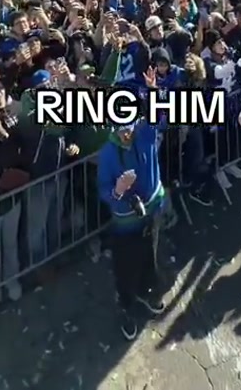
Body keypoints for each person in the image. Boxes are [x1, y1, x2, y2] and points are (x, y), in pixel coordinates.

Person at [97, 69, 166, 340]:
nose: (127, 127)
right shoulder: (108, 154)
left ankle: (147, 293)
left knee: (151, 255)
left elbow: (157, 116)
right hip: (126, 221)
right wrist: (117, 190)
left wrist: (152, 91)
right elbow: (103, 190)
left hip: (152, 210)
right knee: (126, 266)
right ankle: (126, 307)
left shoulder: (145, 133)